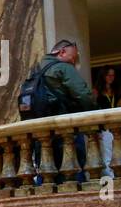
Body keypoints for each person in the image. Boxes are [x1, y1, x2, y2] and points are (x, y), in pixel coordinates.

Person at [25, 39, 93, 183]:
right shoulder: (63, 67)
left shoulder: (35, 70)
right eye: (73, 58)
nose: (74, 63)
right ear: (62, 52)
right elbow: (84, 95)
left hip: (41, 135)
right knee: (73, 176)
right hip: (65, 132)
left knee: (47, 177)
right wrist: (96, 118)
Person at [95, 66, 121, 180]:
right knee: (107, 155)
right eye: (109, 75)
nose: (111, 77)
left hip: (118, 126)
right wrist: (98, 130)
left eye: (113, 75)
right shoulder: (96, 92)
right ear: (103, 76)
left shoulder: (116, 91)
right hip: (105, 128)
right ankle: (112, 178)